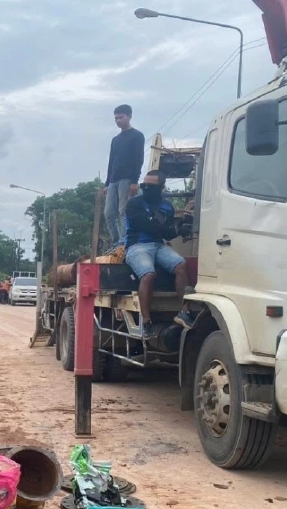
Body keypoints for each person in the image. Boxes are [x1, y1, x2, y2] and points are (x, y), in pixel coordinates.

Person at [123, 169, 196, 339]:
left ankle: (184, 312)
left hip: (158, 245)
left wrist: (179, 229)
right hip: (137, 246)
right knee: (148, 274)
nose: (146, 189)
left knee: (181, 265)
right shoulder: (134, 204)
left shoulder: (167, 206)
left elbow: (166, 234)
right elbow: (148, 226)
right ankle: (146, 321)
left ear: (162, 187)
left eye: (151, 186)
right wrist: (175, 230)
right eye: (144, 185)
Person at [104, 104, 145, 248]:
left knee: (123, 211)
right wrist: (107, 183)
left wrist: (134, 181)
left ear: (129, 116)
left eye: (120, 117)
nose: (118, 121)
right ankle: (115, 241)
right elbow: (111, 161)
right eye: (116, 118)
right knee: (108, 213)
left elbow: (139, 159)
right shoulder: (115, 140)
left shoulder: (137, 136)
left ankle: (123, 241)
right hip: (113, 180)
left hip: (127, 179)